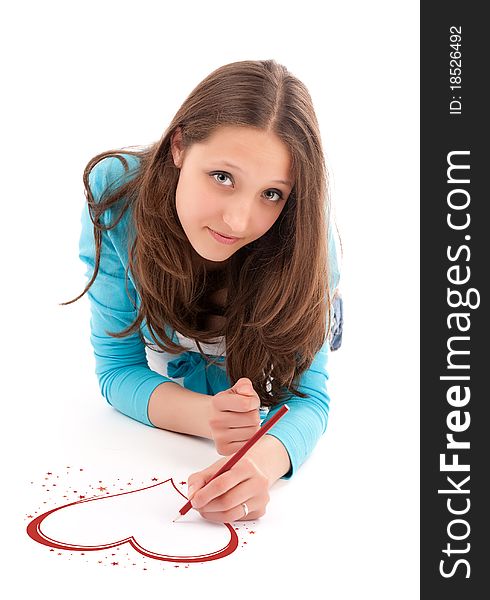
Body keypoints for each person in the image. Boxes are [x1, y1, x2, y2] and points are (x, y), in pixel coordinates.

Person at [63, 59, 343, 524]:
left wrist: (259, 465)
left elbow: (310, 398)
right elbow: (116, 370)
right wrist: (207, 416)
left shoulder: (306, 246)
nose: (238, 221)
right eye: (223, 177)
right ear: (179, 146)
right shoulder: (117, 196)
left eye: (271, 193)